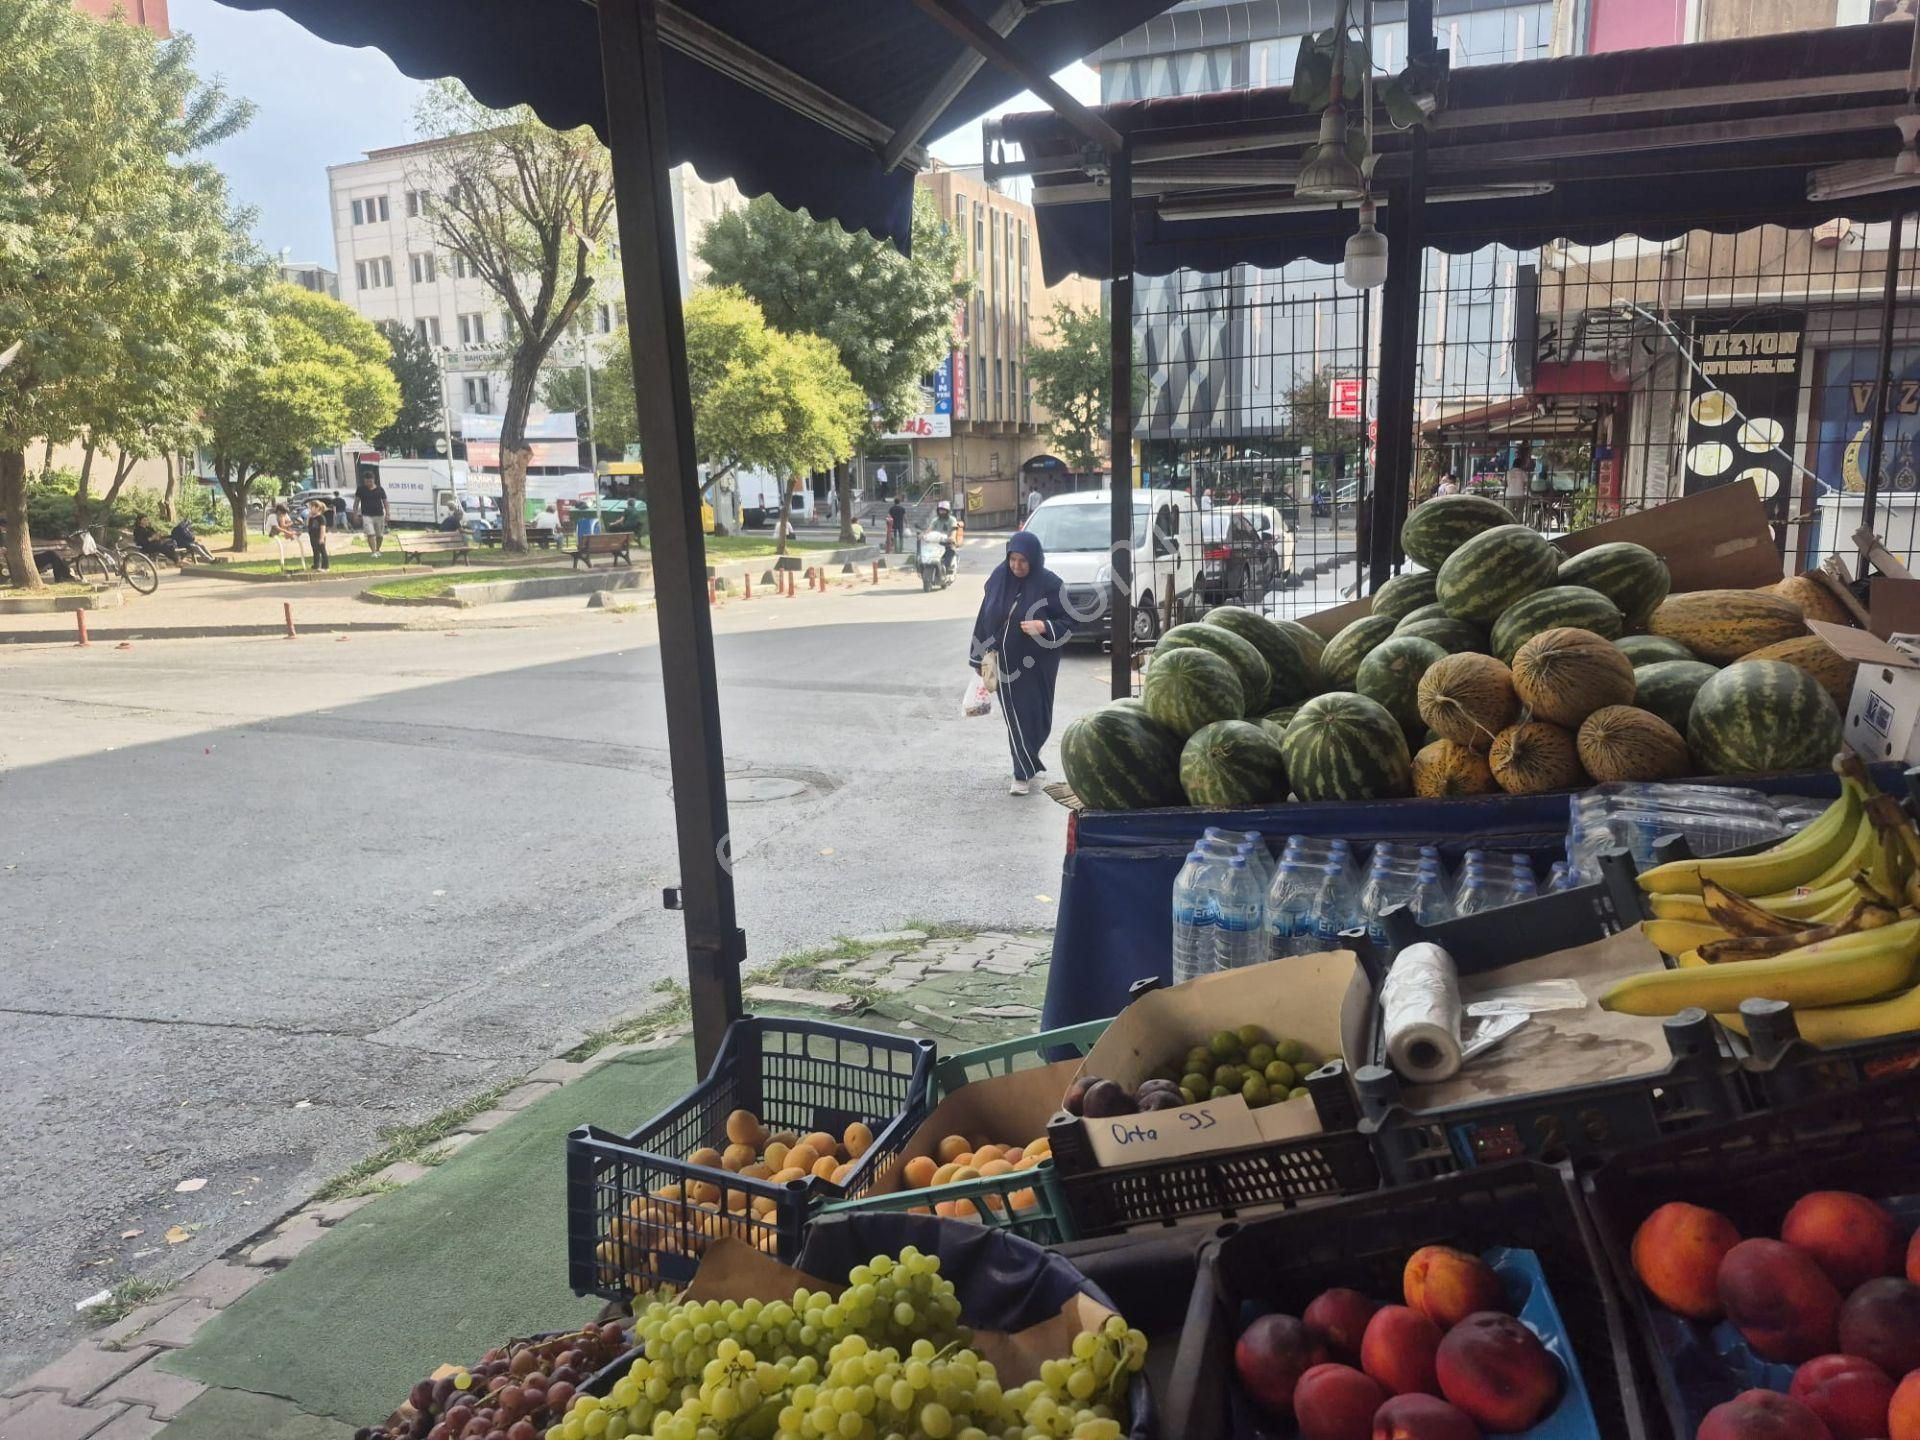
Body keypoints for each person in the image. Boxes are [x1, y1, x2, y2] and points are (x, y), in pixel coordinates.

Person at [971, 531, 1069, 796]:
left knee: (1038, 717)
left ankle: (1030, 757)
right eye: (1013, 559)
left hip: (1038, 664)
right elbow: (984, 617)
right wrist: (977, 656)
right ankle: (1021, 774)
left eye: (1023, 561)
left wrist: (1043, 626)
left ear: (1034, 559)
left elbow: (1069, 622)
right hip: (1004, 663)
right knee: (1017, 717)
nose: (1016, 566)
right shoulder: (998, 579)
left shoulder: (1050, 584)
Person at [357, 473, 389, 554]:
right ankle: (373, 552)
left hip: (379, 515)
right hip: (366, 515)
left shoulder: (380, 489)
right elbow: (356, 502)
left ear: (373, 480)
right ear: (364, 481)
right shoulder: (361, 489)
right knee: (370, 533)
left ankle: (378, 549)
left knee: (380, 535)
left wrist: (387, 513)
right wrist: (355, 514)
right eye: (366, 482)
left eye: (370, 481)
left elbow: (385, 502)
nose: (368, 484)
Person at [271, 504, 306, 571]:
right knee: (286, 524)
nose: (284, 514)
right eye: (283, 512)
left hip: (286, 527)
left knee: (289, 524)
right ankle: (290, 534)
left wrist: (293, 522)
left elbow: (288, 523)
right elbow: (282, 526)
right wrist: (292, 523)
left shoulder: (285, 515)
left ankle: (291, 534)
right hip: (278, 529)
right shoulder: (278, 516)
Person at [929, 498, 957, 574]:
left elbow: (954, 530)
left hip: (948, 542)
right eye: (940, 510)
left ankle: (948, 567)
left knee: (950, 550)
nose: (942, 512)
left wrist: (952, 537)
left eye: (944, 510)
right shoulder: (935, 520)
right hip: (937, 542)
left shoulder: (952, 519)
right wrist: (924, 535)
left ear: (948, 511)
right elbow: (930, 529)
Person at [306, 498, 330, 572]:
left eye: (312, 507)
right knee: (315, 551)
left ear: (317, 508)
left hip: (319, 536)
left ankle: (325, 566)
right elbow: (307, 525)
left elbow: (323, 528)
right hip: (312, 536)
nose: (310, 509)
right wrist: (308, 517)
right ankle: (316, 565)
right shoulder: (312, 518)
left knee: (322, 551)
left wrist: (322, 538)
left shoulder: (321, 518)